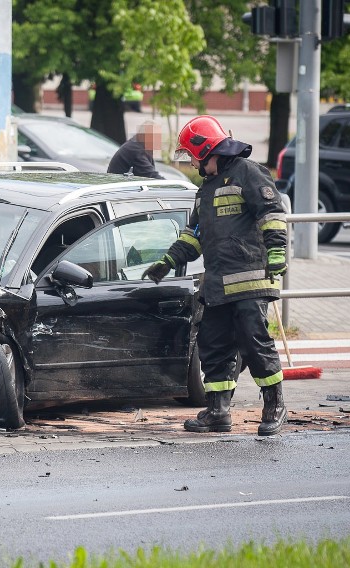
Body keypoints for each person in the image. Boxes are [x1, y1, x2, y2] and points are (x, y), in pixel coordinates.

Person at [142, 115, 288, 437]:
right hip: (218, 286)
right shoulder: (204, 190)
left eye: (193, 156)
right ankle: (218, 411)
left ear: (206, 149)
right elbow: (195, 235)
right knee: (214, 347)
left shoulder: (248, 173)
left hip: (249, 282)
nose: (193, 164)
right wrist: (168, 261)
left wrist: (277, 252)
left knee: (255, 344)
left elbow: (272, 213)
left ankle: (275, 405)